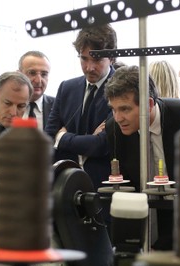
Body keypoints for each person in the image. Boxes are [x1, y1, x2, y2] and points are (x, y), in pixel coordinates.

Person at [105, 65, 180, 251]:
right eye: (113, 109)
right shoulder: (114, 130)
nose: (118, 118)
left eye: (125, 109)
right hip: (147, 221)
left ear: (149, 104)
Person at [45, 24, 117, 191]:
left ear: (112, 58)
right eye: (84, 59)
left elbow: (101, 145)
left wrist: (62, 138)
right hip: (65, 187)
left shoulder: (121, 90)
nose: (89, 67)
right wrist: (84, 142)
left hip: (105, 188)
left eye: (97, 59)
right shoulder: (67, 88)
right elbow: (48, 138)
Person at [18, 50, 55, 131]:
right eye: (32, 73)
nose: (38, 80)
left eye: (44, 74)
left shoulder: (58, 107)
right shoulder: (3, 107)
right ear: (19, 75)